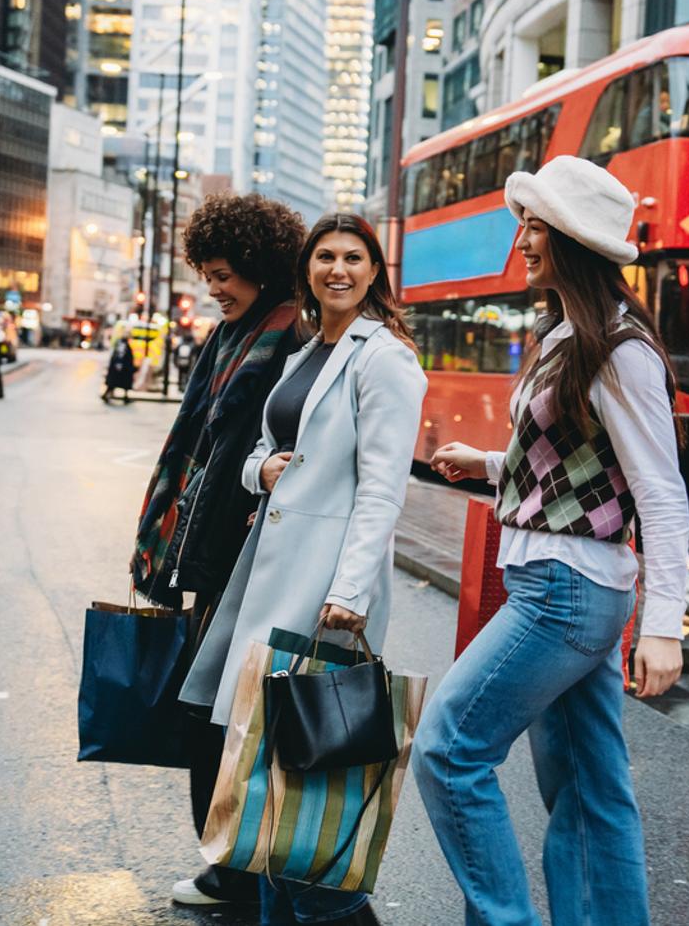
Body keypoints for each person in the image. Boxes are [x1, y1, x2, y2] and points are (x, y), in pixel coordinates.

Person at [416, 156, 689, 926]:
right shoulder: (569, 333)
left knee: (447, 749)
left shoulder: (618, 348)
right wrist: (491, 463)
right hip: (573, 585)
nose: (522, 238)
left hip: (565, 591)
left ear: (570, 237)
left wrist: (664, 625)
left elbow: (660, 492)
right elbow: (583, 464)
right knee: (590, 790)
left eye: (535, 224)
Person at [179, 213, 425, 926]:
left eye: (353, 257)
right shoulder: (305, 352)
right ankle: (281, 911)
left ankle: (339, 910)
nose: (338, 269)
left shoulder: (385, 359)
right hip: (269, 572)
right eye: (325, 256)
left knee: (303, 759)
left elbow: (383, 487)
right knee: (263, 756)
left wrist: (350, 591)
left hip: (324, 586)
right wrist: (264, 470)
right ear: (307, 269)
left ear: (375, 271)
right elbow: (263, 451)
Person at [126, 194, 307, 911]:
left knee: (222, 713)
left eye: (223, 272)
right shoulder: (232, 334)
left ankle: (231, 865)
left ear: (259, 265)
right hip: (212, 543)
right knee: (213, 709)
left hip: (252, 548)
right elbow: (196, 437)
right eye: (206, 274)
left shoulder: (290, 336)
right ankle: (230, 858)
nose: (214, 287)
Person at [103, 335, 135, 403]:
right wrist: (119, 366)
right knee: (117, 384)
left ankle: (125, 397)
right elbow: (120, 357)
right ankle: (107, 395)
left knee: (114, 384)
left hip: (120, 369)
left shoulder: (120, 344)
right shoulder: (122, 345)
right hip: (121, 370)